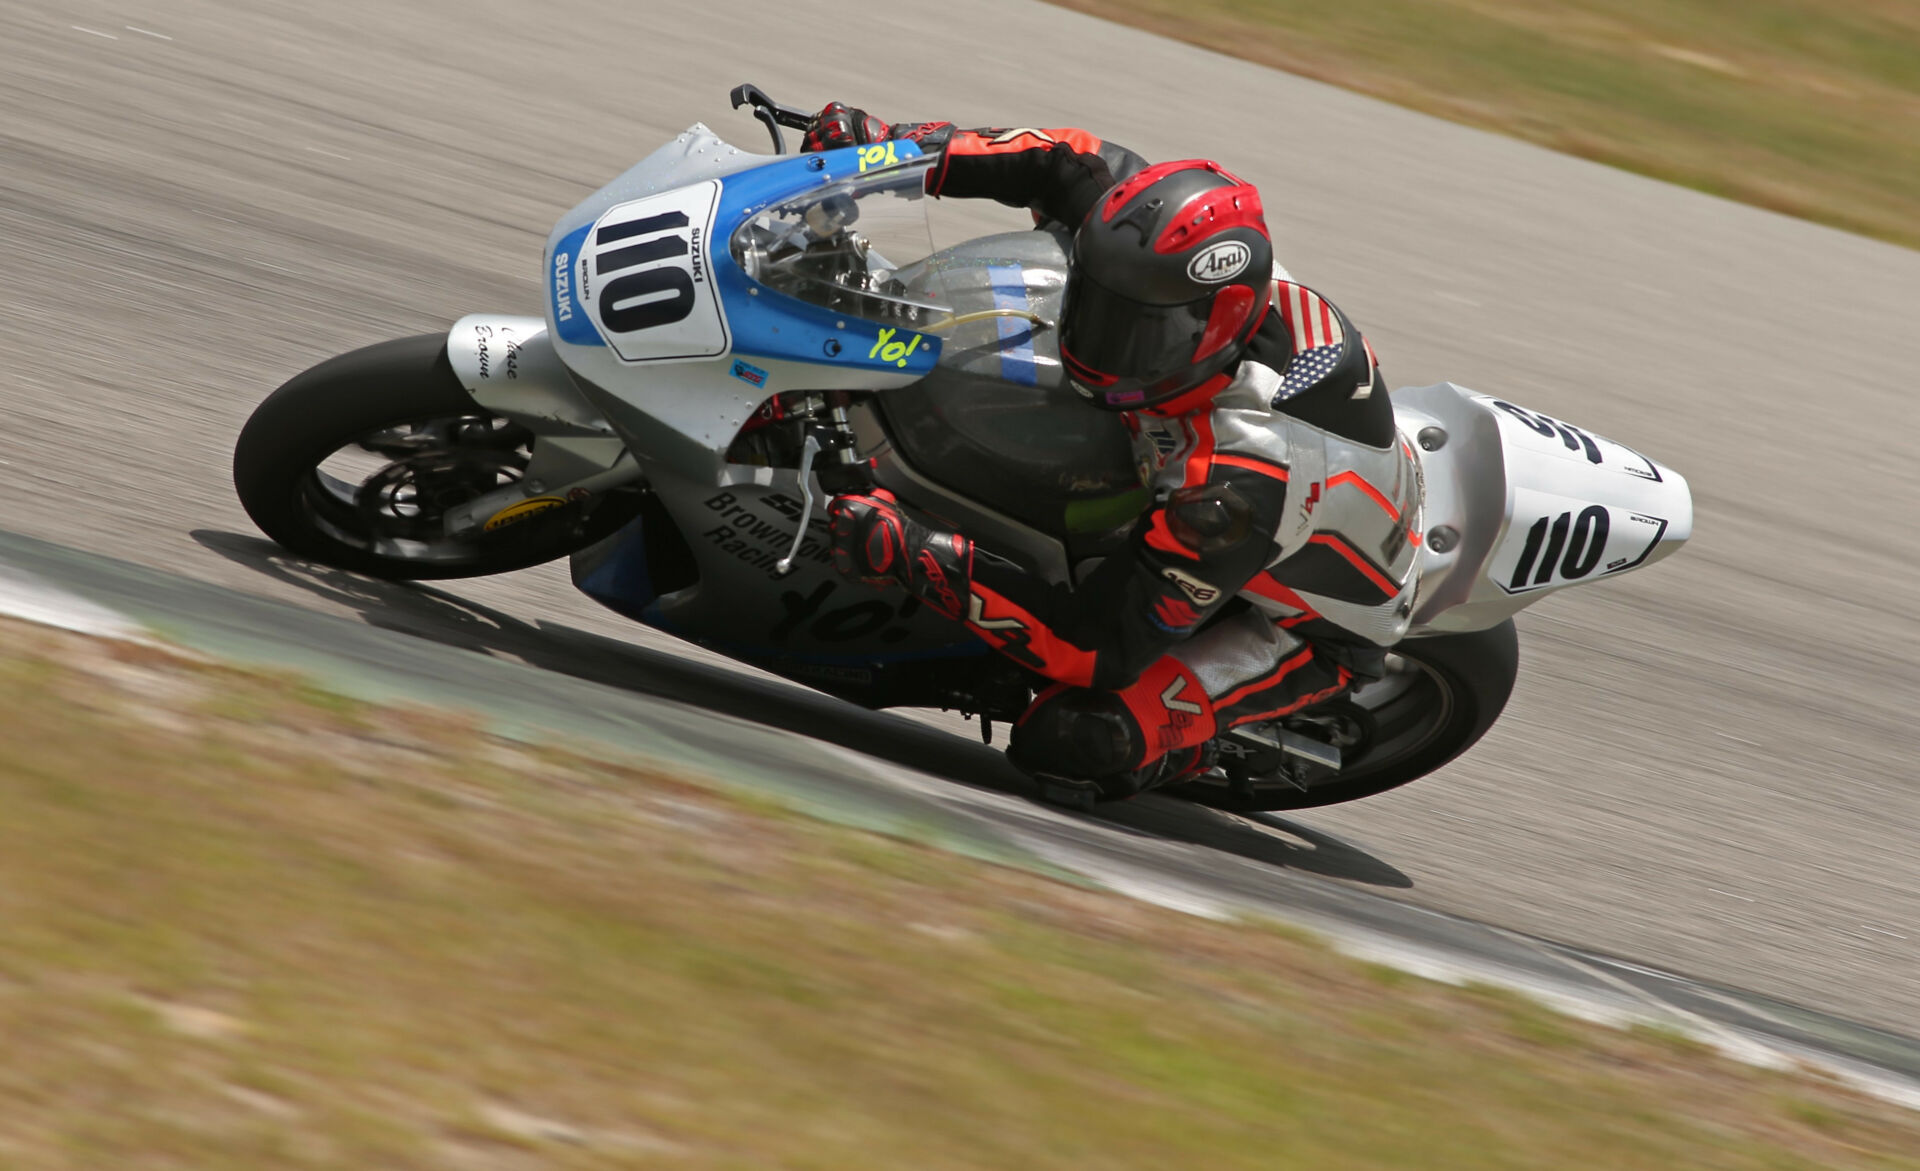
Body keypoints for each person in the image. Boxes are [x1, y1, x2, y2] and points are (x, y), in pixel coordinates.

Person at [805, 104, 1422, 804]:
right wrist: (893, 152)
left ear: (1212, 330)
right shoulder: (1165, 263)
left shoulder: (1230, 486)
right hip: (1264, 469)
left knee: (1074, 739)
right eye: (1099, 306)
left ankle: (1174, 752)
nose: (1100, 340)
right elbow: (1064, 158)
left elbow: (1096, 646)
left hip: (1306, 627)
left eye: (1135, 333)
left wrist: (917, 549)